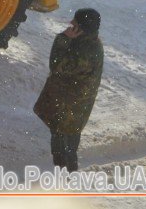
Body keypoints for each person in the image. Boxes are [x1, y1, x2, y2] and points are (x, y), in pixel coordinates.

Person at [34, 9, 104, 172]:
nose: (71, 24)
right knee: (64, 139)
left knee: (65, 145)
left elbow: (56, 64)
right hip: (70, 103)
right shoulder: (86, 43)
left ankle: (67, 179)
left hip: (70, 105)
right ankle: (65, 174)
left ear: (82, 27)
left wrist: (63, 38)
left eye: (75, 22)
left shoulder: (87, 51)